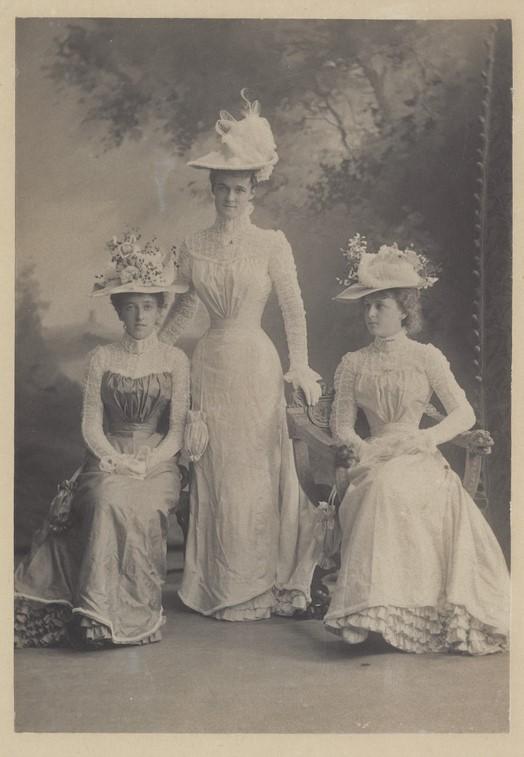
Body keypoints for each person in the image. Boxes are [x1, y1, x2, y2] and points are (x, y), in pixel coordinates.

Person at [160, 90, 323, 621]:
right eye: (223, 188)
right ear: (212, 189)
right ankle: (217, 583)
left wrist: (299, 364)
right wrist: (150, 351)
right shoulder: (193, 244)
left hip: (255, 362)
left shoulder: (272, 243)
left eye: (239, 188)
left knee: (254, 472)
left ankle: (259, 583)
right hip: (210, 364)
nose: (231, 197)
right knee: (216, 472)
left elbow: (294, 311)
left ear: (253, 190)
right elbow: (184, 312)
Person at [323, 238, 509, 654]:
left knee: (401, 487)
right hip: (372, 455)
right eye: (366, 306)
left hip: (420, 453)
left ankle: (412, 612)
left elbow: (463, 415)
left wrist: (424, 438)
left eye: (380, 305)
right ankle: (368, 612)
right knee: (381, 486)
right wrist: (365, 449)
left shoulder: (427, 358)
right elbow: (342, 426)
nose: (370, 314)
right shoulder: (353, 363)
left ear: (404, 310)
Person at [14, 232, 190, 648]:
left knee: (141, 504)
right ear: (119, 312)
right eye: (131, 308)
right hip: (107, 456)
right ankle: (94, 616)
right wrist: (112, 458)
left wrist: (148, 462)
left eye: (149, 307)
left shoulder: (174, 359)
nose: (141, 317)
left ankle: (132, 614)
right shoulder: (101, 359)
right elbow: (91, 423)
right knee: (105, 498)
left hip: (158, 460)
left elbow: (177, 429)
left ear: (161, 309)